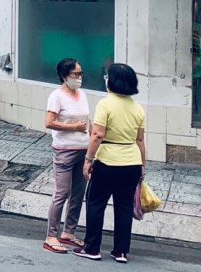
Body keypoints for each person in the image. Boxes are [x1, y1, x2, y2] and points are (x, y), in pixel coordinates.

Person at [75, 63, 146, 264]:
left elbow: (97, 134)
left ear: (112, 81)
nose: (105, 79)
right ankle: (121, 252)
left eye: (107, 76)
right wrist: (142, 166)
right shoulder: (138, 108)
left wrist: (88, 160)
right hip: (132, 163)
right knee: (124, 207)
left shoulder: (105, 104)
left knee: (96, 204)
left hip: (107, 161)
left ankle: (92, 248)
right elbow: (140, 140)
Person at [43, 58, 90, 254]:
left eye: (81, 73)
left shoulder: (82, 94)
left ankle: (68, 232)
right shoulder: (56, 96)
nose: (79, 78)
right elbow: (49, 122)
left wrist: (94, 143)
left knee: (78, 193)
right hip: (64, 150)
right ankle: (51, 236)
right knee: (61, 193)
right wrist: (73, 127)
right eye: (75, 74)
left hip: (83, 150)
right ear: (64, 76)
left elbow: (88, 121)